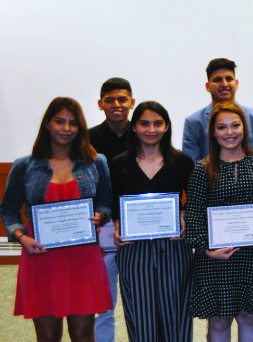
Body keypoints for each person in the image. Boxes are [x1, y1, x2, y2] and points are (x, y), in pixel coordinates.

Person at [2, 97, 113, 341]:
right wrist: (21, 237)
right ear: (47, 124)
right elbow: (8, 210)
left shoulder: (96, 162)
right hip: (41, 257)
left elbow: (106, 202)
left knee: (84, 335)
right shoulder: (24, 166)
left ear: (80, 128)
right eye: (60, 121)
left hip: (83, 259)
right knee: (48, 337)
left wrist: (101, 215)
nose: (66, 128)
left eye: (73, 123)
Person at [185, 102, 253, 341]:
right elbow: (193, 214)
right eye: (222, 127)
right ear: (213, 132)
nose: (230, 132)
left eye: (235, 125)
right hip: (214, 259)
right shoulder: (202, 169)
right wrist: (208, 249)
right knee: (219, 322)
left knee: (250, 318)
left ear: (244, 128)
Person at [109, 101, 196, 341]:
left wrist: (184, 214)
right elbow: (113, 203)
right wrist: (117, 223)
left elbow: (197, 201)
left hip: (174, 246)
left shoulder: (183, 162)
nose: (151, 129)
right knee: (140, 316)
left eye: (158, 123)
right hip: (134, 249)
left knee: (176, 314)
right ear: (134, 127)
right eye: (144, 123)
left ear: (167, 127)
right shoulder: (118, 164)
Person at [89, 77, 135, 342]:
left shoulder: (145, 134)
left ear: (131, 102)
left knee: (139, 303)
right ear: (100, 104)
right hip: (102, 230)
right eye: (109, 100)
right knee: (103, 307)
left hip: (137, 230)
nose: (116, 105)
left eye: (122, 99)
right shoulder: (87, 139)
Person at [182, 58, 253, 161]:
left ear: (236, 83)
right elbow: (192, 166)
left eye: (229, 79)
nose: (224, 84)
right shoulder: (193, 122)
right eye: (217, 80)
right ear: (207, 86)